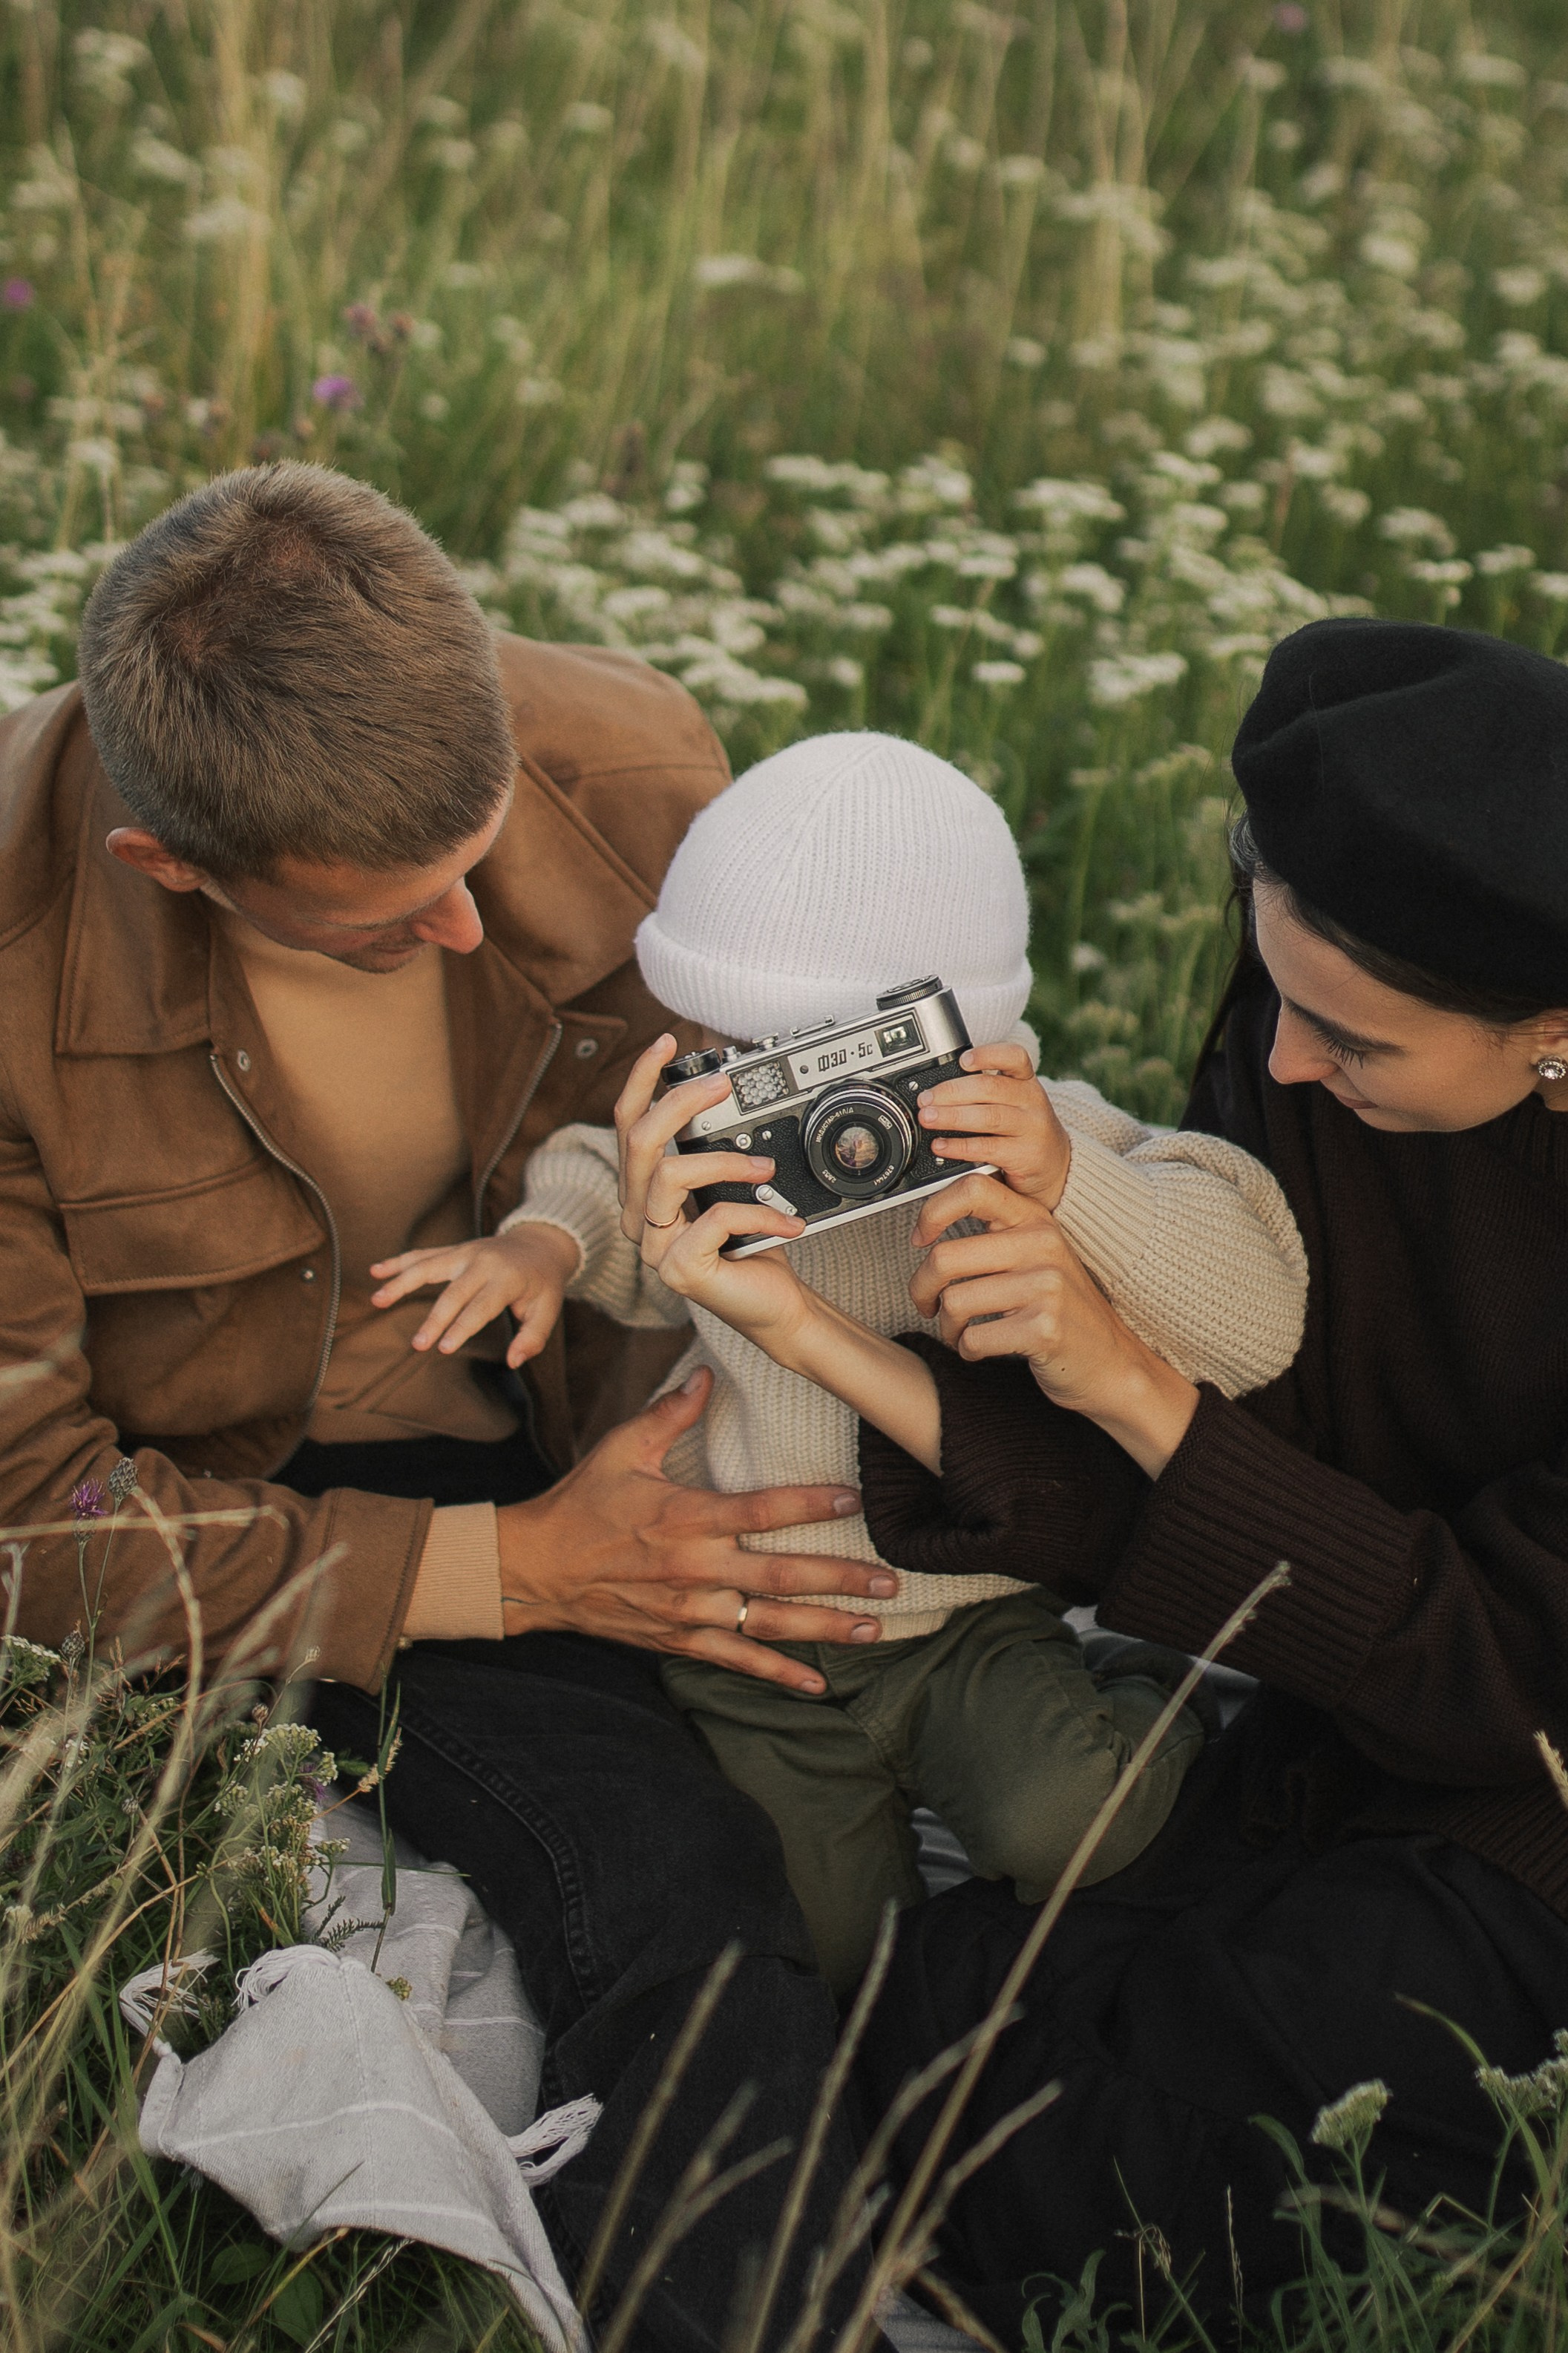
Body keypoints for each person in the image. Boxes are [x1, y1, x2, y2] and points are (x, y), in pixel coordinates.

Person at [0, 462, 927, 2352]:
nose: (456, 938)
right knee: (666, 1873)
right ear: (167, 868)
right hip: (257, 1515)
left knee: (918, 1808)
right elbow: (36, 1525)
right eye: (369, 927)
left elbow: (791, 1144)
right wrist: (521, 1572)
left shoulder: (639, 761)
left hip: (633, 1417)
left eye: (473, 864)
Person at [841, 618, 1568, 2339]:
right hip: (1339, 1693)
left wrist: (1141, 1389)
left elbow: (1507, 1681)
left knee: (1241, 2116)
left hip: (1523, 1770)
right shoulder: (1315, 1038)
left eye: (1359, 1044)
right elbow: (1278, 1426)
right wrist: (894, 1348)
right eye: (1281, 996)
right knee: (942, 1993)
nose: (1292, 1067)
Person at [371, 732, 1309, 1995]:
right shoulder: (721, 1127)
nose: (797, 1116)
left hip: (967, 1616)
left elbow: (1252, 1310)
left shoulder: (1019, 1136)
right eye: (730, 1051)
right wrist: (547, 1244)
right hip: (754, 1624)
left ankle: (1148, 1690)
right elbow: (614, 1177)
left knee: (1073, 1821)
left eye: (827, 1076)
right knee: (832, 1943)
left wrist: (1066, 1178)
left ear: (956, 1038)